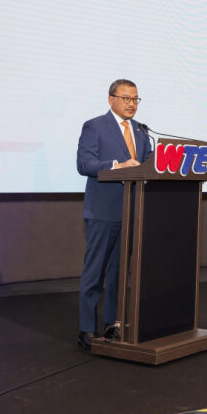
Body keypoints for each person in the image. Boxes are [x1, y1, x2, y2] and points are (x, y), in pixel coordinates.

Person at [76, 79, 152, 349]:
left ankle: (112, 323)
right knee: (95, 273)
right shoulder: (95, 126)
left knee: (119, 275)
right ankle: (86, 328)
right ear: (112, 100)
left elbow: (148, 165)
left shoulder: (141, 131)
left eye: (135, 99)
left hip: (131, 212)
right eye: (126, 98)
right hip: (103, 211)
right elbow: (84, 164)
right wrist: (117, 166)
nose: (132, 104)